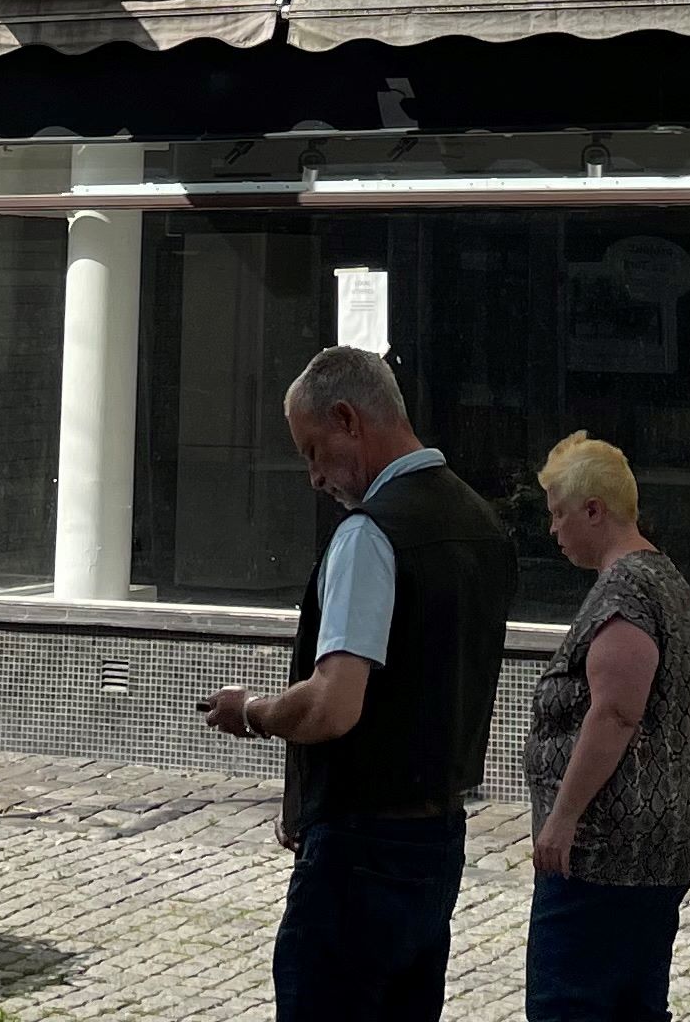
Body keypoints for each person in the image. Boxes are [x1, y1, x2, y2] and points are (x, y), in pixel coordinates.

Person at [205, 345, 518, 1022]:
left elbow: (333, 704)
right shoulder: (481, 523)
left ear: (349, 419)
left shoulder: (370, 534)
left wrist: (252, 711)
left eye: (314, 451)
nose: (314, 477)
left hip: (362, 847)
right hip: (440, 838)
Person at [519, 434, 690, 1022]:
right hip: (654, 838)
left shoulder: (625, 589)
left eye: (558, 513)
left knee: (568, 1004)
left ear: (593, 510)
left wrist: (562, 819)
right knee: (632, 1002)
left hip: (608, 849)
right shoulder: (664, 576)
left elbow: (615, 712)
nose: (553, 529)